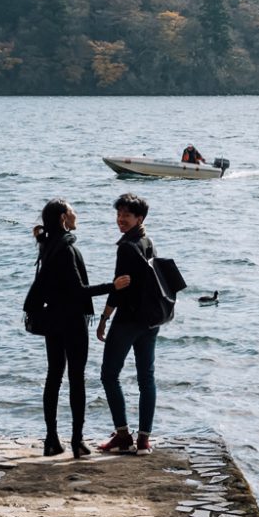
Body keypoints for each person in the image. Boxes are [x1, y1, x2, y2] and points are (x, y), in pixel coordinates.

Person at [29, 200, 129, 458]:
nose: (76, 214)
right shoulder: (65, 249)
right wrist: (112, 286)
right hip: (72, 321)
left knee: (54, 377)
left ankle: (51, 439)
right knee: (76, 379)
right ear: (64, 217)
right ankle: (77, 441)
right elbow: (77, 292)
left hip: (52, 319)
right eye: (72, 211)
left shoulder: (49, 244)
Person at [94, 192, 168, 455]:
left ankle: (123, 435)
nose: (120, 219)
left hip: (128, 321)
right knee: (146, 379)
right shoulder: (148, 241)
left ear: (140, 217)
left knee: (109, 375)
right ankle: (144, 440)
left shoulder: (126, 247)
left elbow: (119, 288)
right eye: (118, 214)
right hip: (150, 321)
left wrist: (104, 319)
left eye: (126, 215)